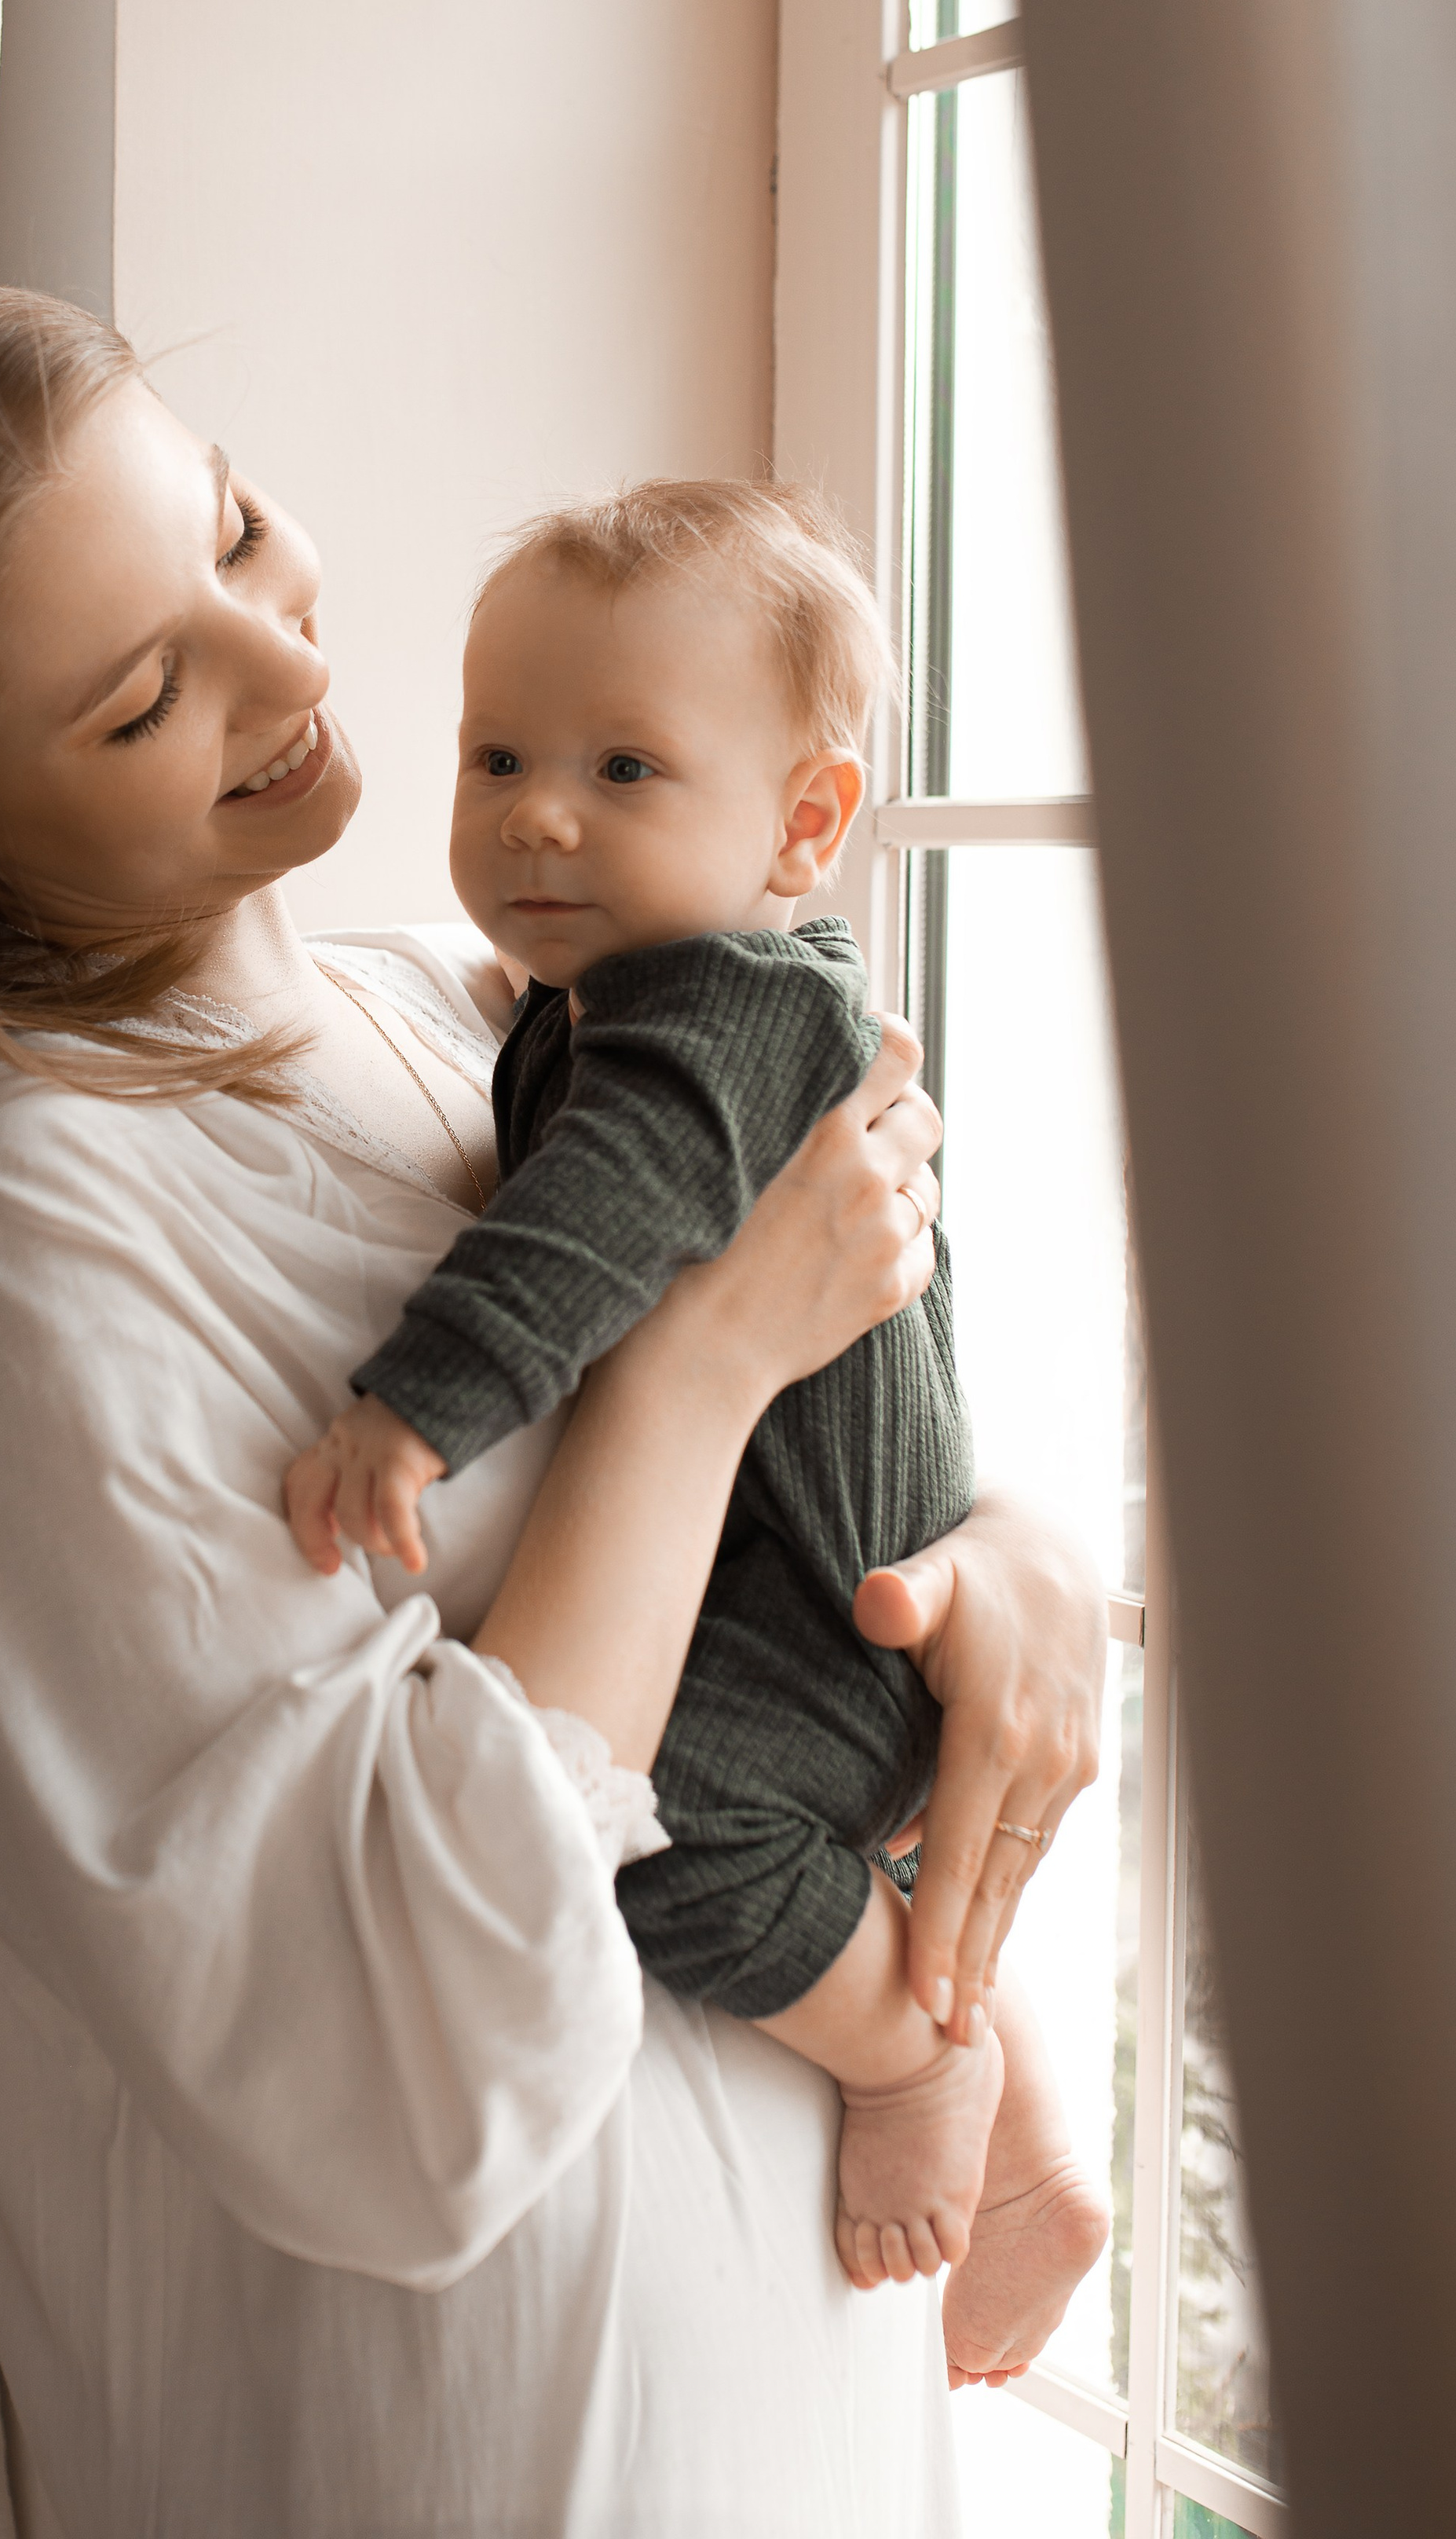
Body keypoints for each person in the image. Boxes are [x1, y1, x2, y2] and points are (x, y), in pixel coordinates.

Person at [0, 278, 1109, 2537]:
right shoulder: (11, 1220)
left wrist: (1019, 1569)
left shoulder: (464, 1008)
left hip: (788, 2418)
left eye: (230, 536)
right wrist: (698, 1370)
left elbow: (831, 1426)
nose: (300, 669)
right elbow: (399, 2076)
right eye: (146, 697)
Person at [284, 482, 1107, 2365]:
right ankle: (992, 2049)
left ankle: (916, 2054)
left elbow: (596, 1219)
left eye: (624, 768)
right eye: (497, 753)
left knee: (659, 1841)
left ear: (802, 825)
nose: (534, 814)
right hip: (816, 1568)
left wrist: (416, 1411)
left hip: (828, 1607)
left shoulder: (714, 1014)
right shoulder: (609, 993)